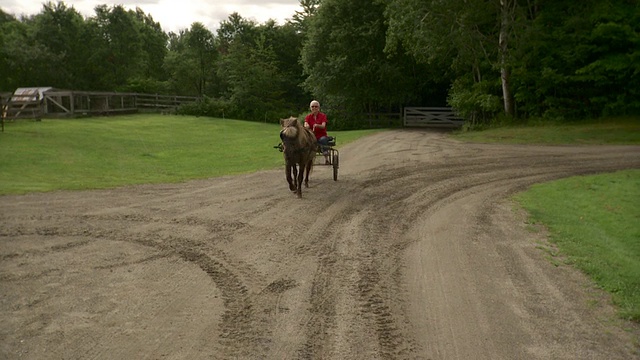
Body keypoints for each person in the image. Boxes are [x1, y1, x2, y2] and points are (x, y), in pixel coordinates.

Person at [304, 100, 331, 164]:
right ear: (310, 108)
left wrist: (317, 125)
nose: (314, 108)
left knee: (323, 140)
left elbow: (323, 126)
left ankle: (326, 158)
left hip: (321, 135)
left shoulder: (323, 116)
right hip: (311, 136)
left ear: (318, 108)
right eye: (312, 106)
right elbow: (305, 124)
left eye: (316, 106)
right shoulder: (308, 117)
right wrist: (306, 125)